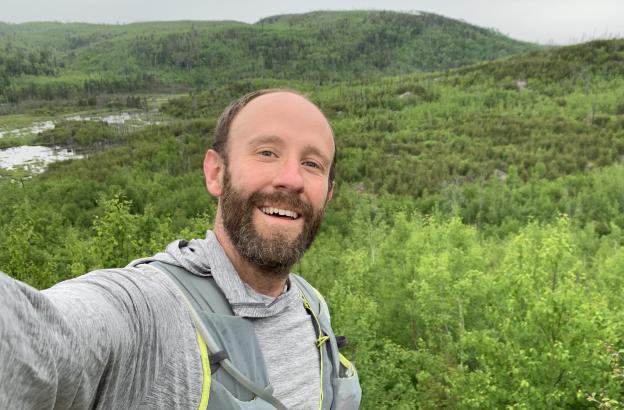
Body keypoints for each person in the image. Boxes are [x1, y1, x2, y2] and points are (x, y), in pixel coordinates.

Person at [0, 89, 362, 409]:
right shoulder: (152, 311)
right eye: (267, 152)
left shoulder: (311, 306)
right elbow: (44, 339)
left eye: (312, 164)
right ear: (216, 173)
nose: (292, 179)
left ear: (327, 195)